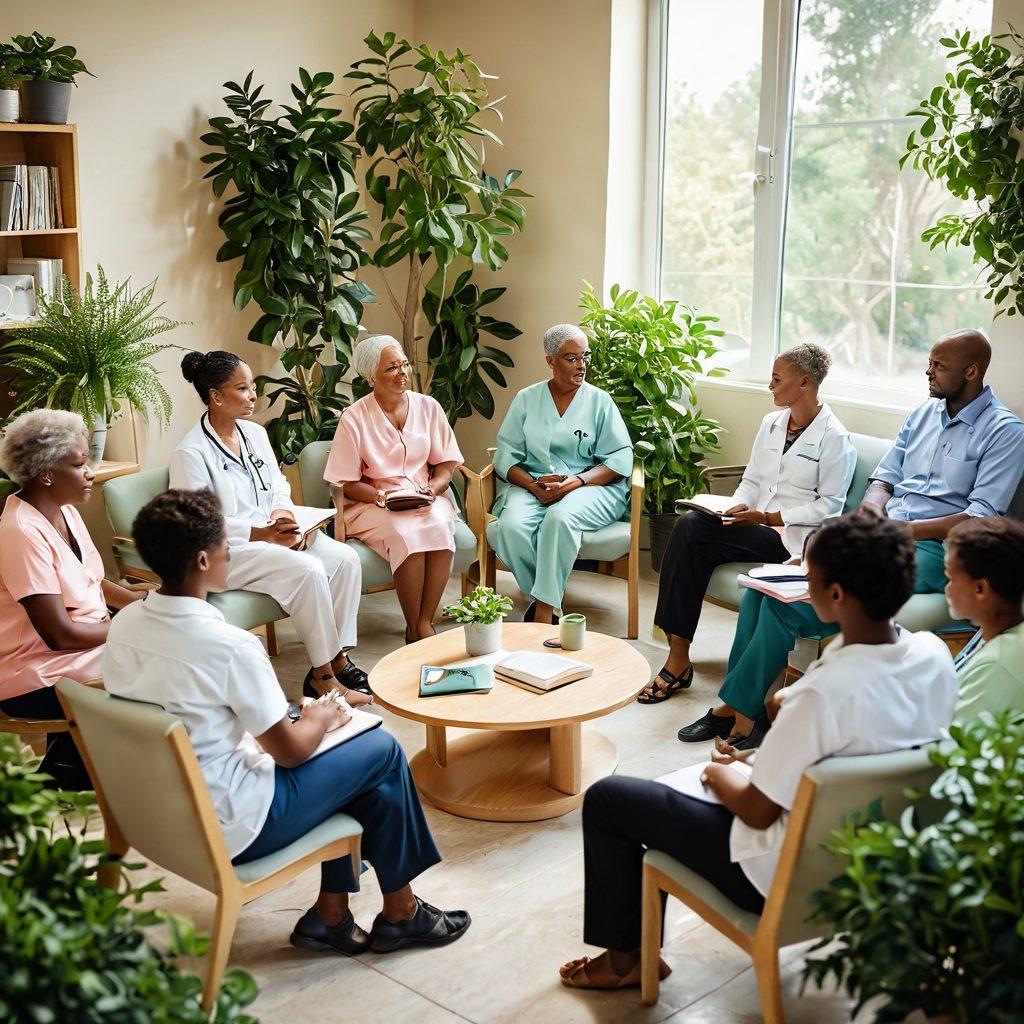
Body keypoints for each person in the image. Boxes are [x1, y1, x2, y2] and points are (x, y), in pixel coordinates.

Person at [559, 510, 958, 991]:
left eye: (807, 575)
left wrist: (715, 776)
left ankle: (626, 962)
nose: (802, 583)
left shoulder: (821, 697)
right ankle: (635, 953)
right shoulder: (933, 654)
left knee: (609, 800)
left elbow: (756, 810)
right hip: (872, 866)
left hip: (781, 878)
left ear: (834, 595)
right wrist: (758, 755)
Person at [102, 488, 471, 954]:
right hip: (234, 825)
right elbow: (292, 752)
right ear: (201, 560)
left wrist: (305, 720)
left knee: (351, 758)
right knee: (379, 750)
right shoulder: (229, 646)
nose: (230, 553)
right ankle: (399, 914)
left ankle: (336, 915)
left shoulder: (126, 624)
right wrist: (321, 716)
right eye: (224, 546)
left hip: (158, 812)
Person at [679, 328, 1024, 748]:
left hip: (935, 551)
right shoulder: (921, 415)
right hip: (885, 537)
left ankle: (737, 713)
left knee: (786, 608)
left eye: (939, 366)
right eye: (929, 362)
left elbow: (979, 516)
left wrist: (900, 531)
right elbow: (884, 479)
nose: (927, 372)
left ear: (971, 371)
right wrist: (872, 520)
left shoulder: (1005, 431)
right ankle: (741, 711)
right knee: (761, 592)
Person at [641, 343, 855, 704]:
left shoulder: (836, 439)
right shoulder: (771, 423)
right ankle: (678, 658)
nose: (769, 385)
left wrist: (770, 518)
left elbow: (829, 507)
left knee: (694, 537)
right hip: (754, 526)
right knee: (689, 527)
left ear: (804, 382)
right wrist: (737, 507)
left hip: (789, 540)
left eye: (776, 378)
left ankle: (687, 669)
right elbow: (753, 480)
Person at [170, 351, 368, 700]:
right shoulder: (192, 453)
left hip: (274, 535)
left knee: (345, 559)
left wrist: (286, 518)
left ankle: (337, 659)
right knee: (308, 571)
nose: (252, 396)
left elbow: (277, 483)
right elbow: (200, 522)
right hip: (227, 552)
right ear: (216, 397)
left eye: (253, 387)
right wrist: (263, 534)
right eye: (242, 389)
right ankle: (325, 676)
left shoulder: (255, 433)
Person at [0, 410, 144, 789]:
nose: (90, 472)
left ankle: (70, 767)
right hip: (34, 675)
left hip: (77, 653)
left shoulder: (63, 511)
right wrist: (129, 627)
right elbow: (58, 636)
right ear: (46, 473)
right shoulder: (21, 533)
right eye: (80, 464)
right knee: (161, 657)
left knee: (169, 640)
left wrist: (143, 604)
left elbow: (94, 582)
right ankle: (70, 772)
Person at [324, 334, 464, 643]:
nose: (402, 373)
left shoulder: (429, 407)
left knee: (441, 525)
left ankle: (423, 624)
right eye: (391, 368)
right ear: (371, 375)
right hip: (372, 502)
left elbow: (447, 464)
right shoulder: (354, 418)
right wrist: (379, 496)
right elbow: (346, 482)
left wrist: (434, 489)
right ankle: (414, 626)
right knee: (406, 533)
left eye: (404, 365)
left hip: (424, 495)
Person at [489, 324, 633, 624]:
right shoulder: (527, 399)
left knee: (559, 518)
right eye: (572, 358)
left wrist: (577, 481)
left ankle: (543, 613)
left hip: (592, 487)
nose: (581, 365)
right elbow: (506, 455)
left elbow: (620, 458)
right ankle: (549, 601)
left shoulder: (600, 402)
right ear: (550, 361)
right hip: (535, 485)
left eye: (585, 357)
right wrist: (532, 485)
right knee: (510, 527)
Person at [942, 517, 1024, 723]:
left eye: (950, 579)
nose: (946, 588)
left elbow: (948, 742)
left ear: (980, 590)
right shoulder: (993, 628)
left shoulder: (997, 665)